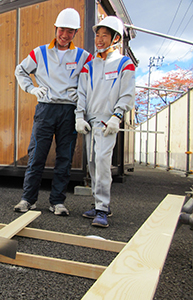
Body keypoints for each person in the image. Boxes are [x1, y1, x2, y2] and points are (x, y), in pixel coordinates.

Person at [13, 8, 93, 216]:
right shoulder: (39, 52)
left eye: (70, 31)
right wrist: (31, 88)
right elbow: (20, 70)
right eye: (62, 30)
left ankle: (57, 202)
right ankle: (27, 199)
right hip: (46, 109)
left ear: (75, 33)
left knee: (64, 158)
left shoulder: (84, 56)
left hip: (69, 111)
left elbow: (93, 78)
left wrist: (83, 99)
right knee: (36, 155)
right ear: (55, 28)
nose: (65, 35)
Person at [75, 16, 135, 227]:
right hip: (90, 122)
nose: (99, 40)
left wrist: (117, 116)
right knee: (92, 164)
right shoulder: (89, 65)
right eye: (97, 35)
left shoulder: (123, 64)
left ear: (115, 38)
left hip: (107, 122)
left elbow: (127, 94)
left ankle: (102, 208)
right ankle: (100, 204)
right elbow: (81, 92)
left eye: (105, 36)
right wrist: (79, 116)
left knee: (101, 163)